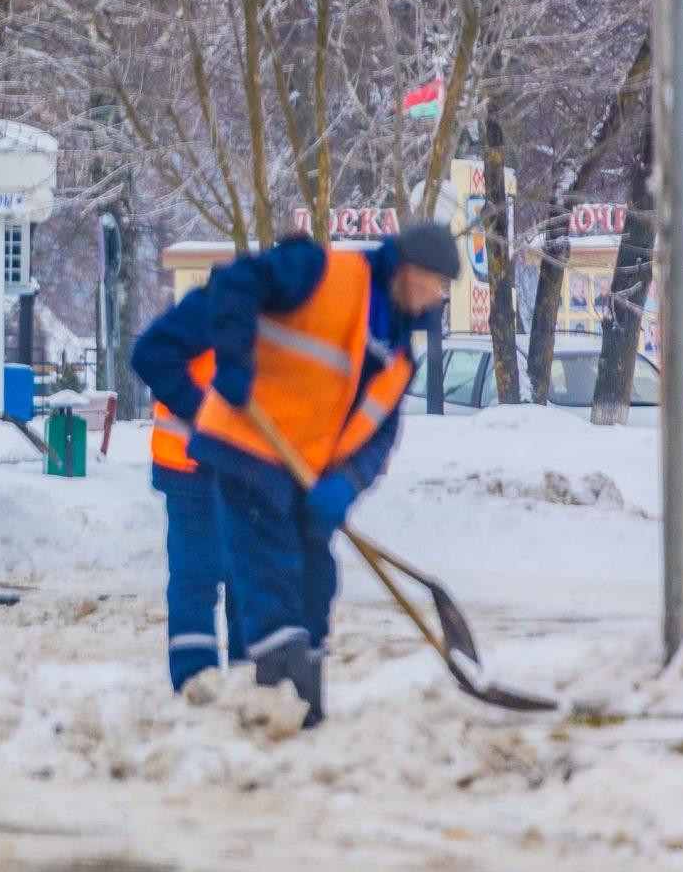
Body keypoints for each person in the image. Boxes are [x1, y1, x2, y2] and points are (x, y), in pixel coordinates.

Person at [188, 221, 460, 727]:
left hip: (305, 477)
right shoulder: (324, 270)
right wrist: (234, 355)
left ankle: (305, 713)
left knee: (316, 585)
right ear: (410, 269)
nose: (438, 297)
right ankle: (279, 702)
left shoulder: (400, 357)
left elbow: (379, 437)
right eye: (438, 283)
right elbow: (235, 282)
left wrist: (348, 483)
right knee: (272, 580)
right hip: (249, 444)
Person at [129, 283, 242, 692]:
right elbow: (153, 359)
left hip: (230, 468)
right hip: (191, 464)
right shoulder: (222, 311)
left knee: (233, 578)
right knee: (204, 578)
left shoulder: (266, 318)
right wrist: (207, 416)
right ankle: (198, 683)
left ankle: (233, 680)